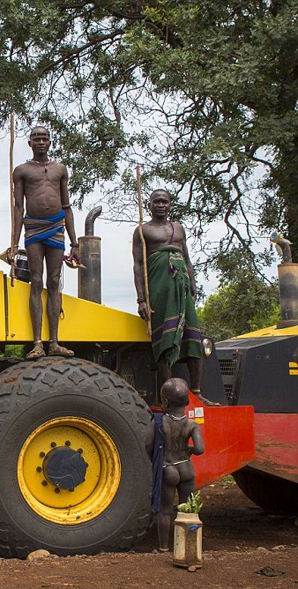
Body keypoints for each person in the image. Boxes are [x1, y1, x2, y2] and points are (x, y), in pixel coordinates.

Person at [132, 189, 213, 404]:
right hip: (159, 288)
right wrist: (141, 299)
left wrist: (192, 283)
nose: (161, 205)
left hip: (182, 286)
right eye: (156, 201)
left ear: (170, 205)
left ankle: (196, 392)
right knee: (164, 341)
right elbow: (138, 265)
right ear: (149, 205)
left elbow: (186, 258)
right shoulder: (142, 231)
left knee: (193, 338)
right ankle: (169, 397)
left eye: (164, 201)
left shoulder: (178, 228)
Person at [12, 126, 79, 360]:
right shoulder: (22, 171)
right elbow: (18, 207)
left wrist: (75, 243)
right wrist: (13, 244)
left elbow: (67, 206)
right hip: (33, 228)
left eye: (44, 138)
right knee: (36, 281)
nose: (41, 142)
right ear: (29, 143)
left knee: (53, 281)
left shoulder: (60, 169)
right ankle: (37, 343)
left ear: (50, 142)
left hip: (56, 227)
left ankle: (54, 342)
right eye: (36, 139)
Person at [146, 377, 205, 551]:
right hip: (186, 467)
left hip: (168, 468)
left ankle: (163, 547)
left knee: (165, 510)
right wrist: (189, 450)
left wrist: (156, 461)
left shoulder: (158, 422)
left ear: (164, 402)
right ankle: (186, 547)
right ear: (187, 402)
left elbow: (148, 445)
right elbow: (200, 449)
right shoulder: (192, 425)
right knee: (188, 509)